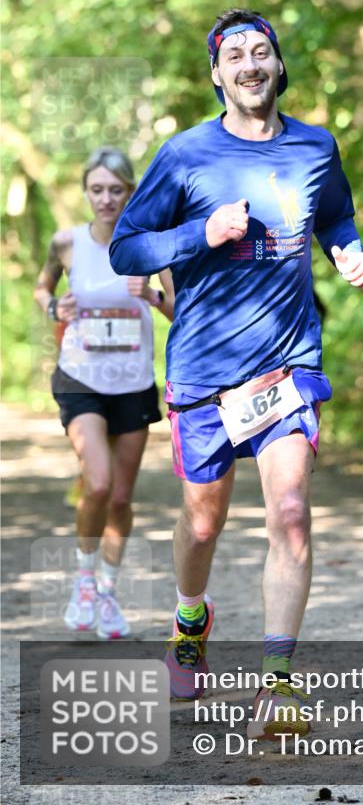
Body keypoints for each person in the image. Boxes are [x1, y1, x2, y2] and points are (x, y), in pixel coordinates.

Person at [109, 9, 363, 736]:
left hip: (287, 366)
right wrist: (202, 232)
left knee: (289, 513)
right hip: (203, 372)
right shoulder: (185, 154)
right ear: (217, 74)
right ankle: (190, 619)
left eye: (263, 53)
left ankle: (277, 685)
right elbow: (127, 251)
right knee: (203, 523)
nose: (251, 64)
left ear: (279, 67)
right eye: (236, 56)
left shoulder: (315, 147)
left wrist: (345, 252)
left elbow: (335, 216)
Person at [34, 147, 175, 639]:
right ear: (86, 192)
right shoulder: (66, 242)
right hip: (80, 379)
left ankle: (109, 593)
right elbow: (42, 289)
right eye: (97, 189)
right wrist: (55, 307)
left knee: (119, 497)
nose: (106, 198)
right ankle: (84, 582)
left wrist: (153, 296)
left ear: (131, 192)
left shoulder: (152, 246)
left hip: (133, 385)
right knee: (96, 482)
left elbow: (180, 311)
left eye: (116, 190)